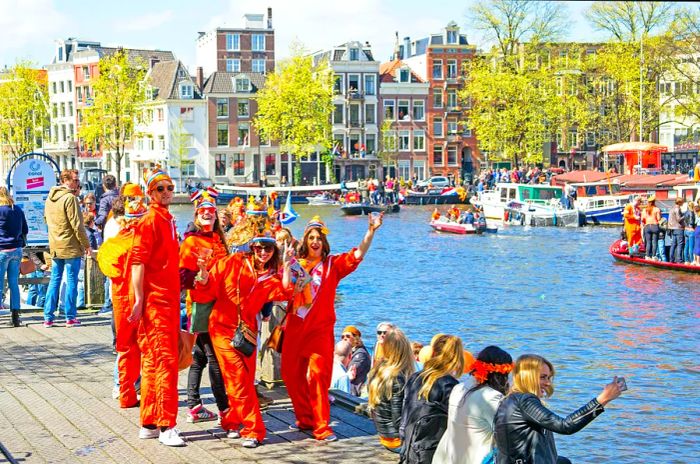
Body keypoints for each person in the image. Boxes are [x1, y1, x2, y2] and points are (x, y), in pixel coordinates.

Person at [281, 213, 383, 442]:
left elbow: (358, 254)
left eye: (318, 238)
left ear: (323, 242)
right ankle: (305, 417)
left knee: (319, 376)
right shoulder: (296, 265)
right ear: (305, 241)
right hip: (296, 327)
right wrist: (286, 265)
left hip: (320, 330)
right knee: (290, 375)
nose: (315, 241)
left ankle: (321, 426)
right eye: (311, 238)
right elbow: (283, 289)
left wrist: (371, 231)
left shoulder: (332, 265)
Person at [191, 221, 293, 448]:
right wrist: (204, 272)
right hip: (221, 328)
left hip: (247, 332)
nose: (263, 253)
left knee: (243, 380)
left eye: (268, 249)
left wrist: (286, 265)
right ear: (251, 247)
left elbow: (286, 291)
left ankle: (230, 421)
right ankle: (253, 430)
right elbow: (207, 289)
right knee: (237, 379)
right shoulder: (233, 262)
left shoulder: (270, 275)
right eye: (259, 247)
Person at [127, 166, 184, 447]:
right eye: (160, 189)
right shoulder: (150, 220)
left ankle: (149, 422)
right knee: (166, 362)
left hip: (169, 301)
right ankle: (167, 425)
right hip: (156, 303)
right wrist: (138, 299)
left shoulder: (167, 220)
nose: (166, 193)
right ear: (150, 192)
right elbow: (137, 261)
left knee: (151, 361)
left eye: (169, 188)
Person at [494, 354, 624, 464]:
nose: (548, 383)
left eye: (549, 377)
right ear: (528, 376)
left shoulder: (512, 400)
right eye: (543, 377)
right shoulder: (525, 401)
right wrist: (602, 399)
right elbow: (565, 426)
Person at [179, 188, 229, 424]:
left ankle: (194, 405)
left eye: (212, 210)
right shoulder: (191, 241)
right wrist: (200, 275)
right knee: (215, 357)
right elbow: (182, 276)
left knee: (199, 357)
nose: (208, 214)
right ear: (197, 215)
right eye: (203, 211)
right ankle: (225, 410)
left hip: (221, 304)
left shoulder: (218, 238)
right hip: (201, 305)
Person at [97, 183, 147, 409]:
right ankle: (122, 385)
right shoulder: (117, 227)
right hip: (123, 292)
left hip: (128, 291)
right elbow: (116, 262)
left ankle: (129, 386)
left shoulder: (112, 224)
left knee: (127, 342)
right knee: (125, 342)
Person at [432, 345, 513, 464]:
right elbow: (505, 434)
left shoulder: (458, 388)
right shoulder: (492, 397)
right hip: (475, 458)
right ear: (502, 375)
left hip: (447, 456)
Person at [399, 334, 464, 464]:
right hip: (432, 451)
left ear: (433, 352)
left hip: (408, 447)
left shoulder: (414, 377)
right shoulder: (450, 385)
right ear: (456, 358)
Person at [43, 169, 91, 328]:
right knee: (71, 281)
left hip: (55, 245)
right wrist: (86, 245)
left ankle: (48, 317)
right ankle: (70, 317)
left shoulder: (50, 198)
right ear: (67, 180)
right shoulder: (70, 198)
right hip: (70, 246)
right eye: (76, 180)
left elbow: (46, 220)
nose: (78, 183)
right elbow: (77, 225)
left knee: (54, 280)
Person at [367, 328, 415, 454]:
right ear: (405, 351)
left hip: (384, 434)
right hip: (396, 441)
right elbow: (398, 417)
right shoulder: (397, 378)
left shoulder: (378, 369)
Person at [0, 187, 28, 327]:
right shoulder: (17, 209)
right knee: (13, 283)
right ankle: (15, 317)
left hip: (2, 250)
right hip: (16, 250)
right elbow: (25, 230)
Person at [342, 325, 372, 397]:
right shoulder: (351, 351)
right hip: (348, 386)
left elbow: (350, 372)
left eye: (348, 336)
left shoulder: (361, 354)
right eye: (342, 337)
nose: (344, 338)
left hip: (354, 391)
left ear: (356, 338)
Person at [641, 195, 661, 261]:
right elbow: (659, 218)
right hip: (654, 226)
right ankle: (653, 256)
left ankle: (647, 256)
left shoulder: (644, 210)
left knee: (648, 242)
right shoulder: (657, 209)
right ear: (654, 202)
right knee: (654, 242)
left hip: (647, 226)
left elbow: (642, 219)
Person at [667, 197, 686, 263]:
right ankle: (679, 260)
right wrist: (685, 215)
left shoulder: (671, 208)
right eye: (683, 202)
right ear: (680, 202)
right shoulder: (677, 209)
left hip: (672, 228)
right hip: (678, 228)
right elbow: (678, 219)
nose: (683, 203)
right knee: (680, 244)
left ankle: (671, 259)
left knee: (673, 244)